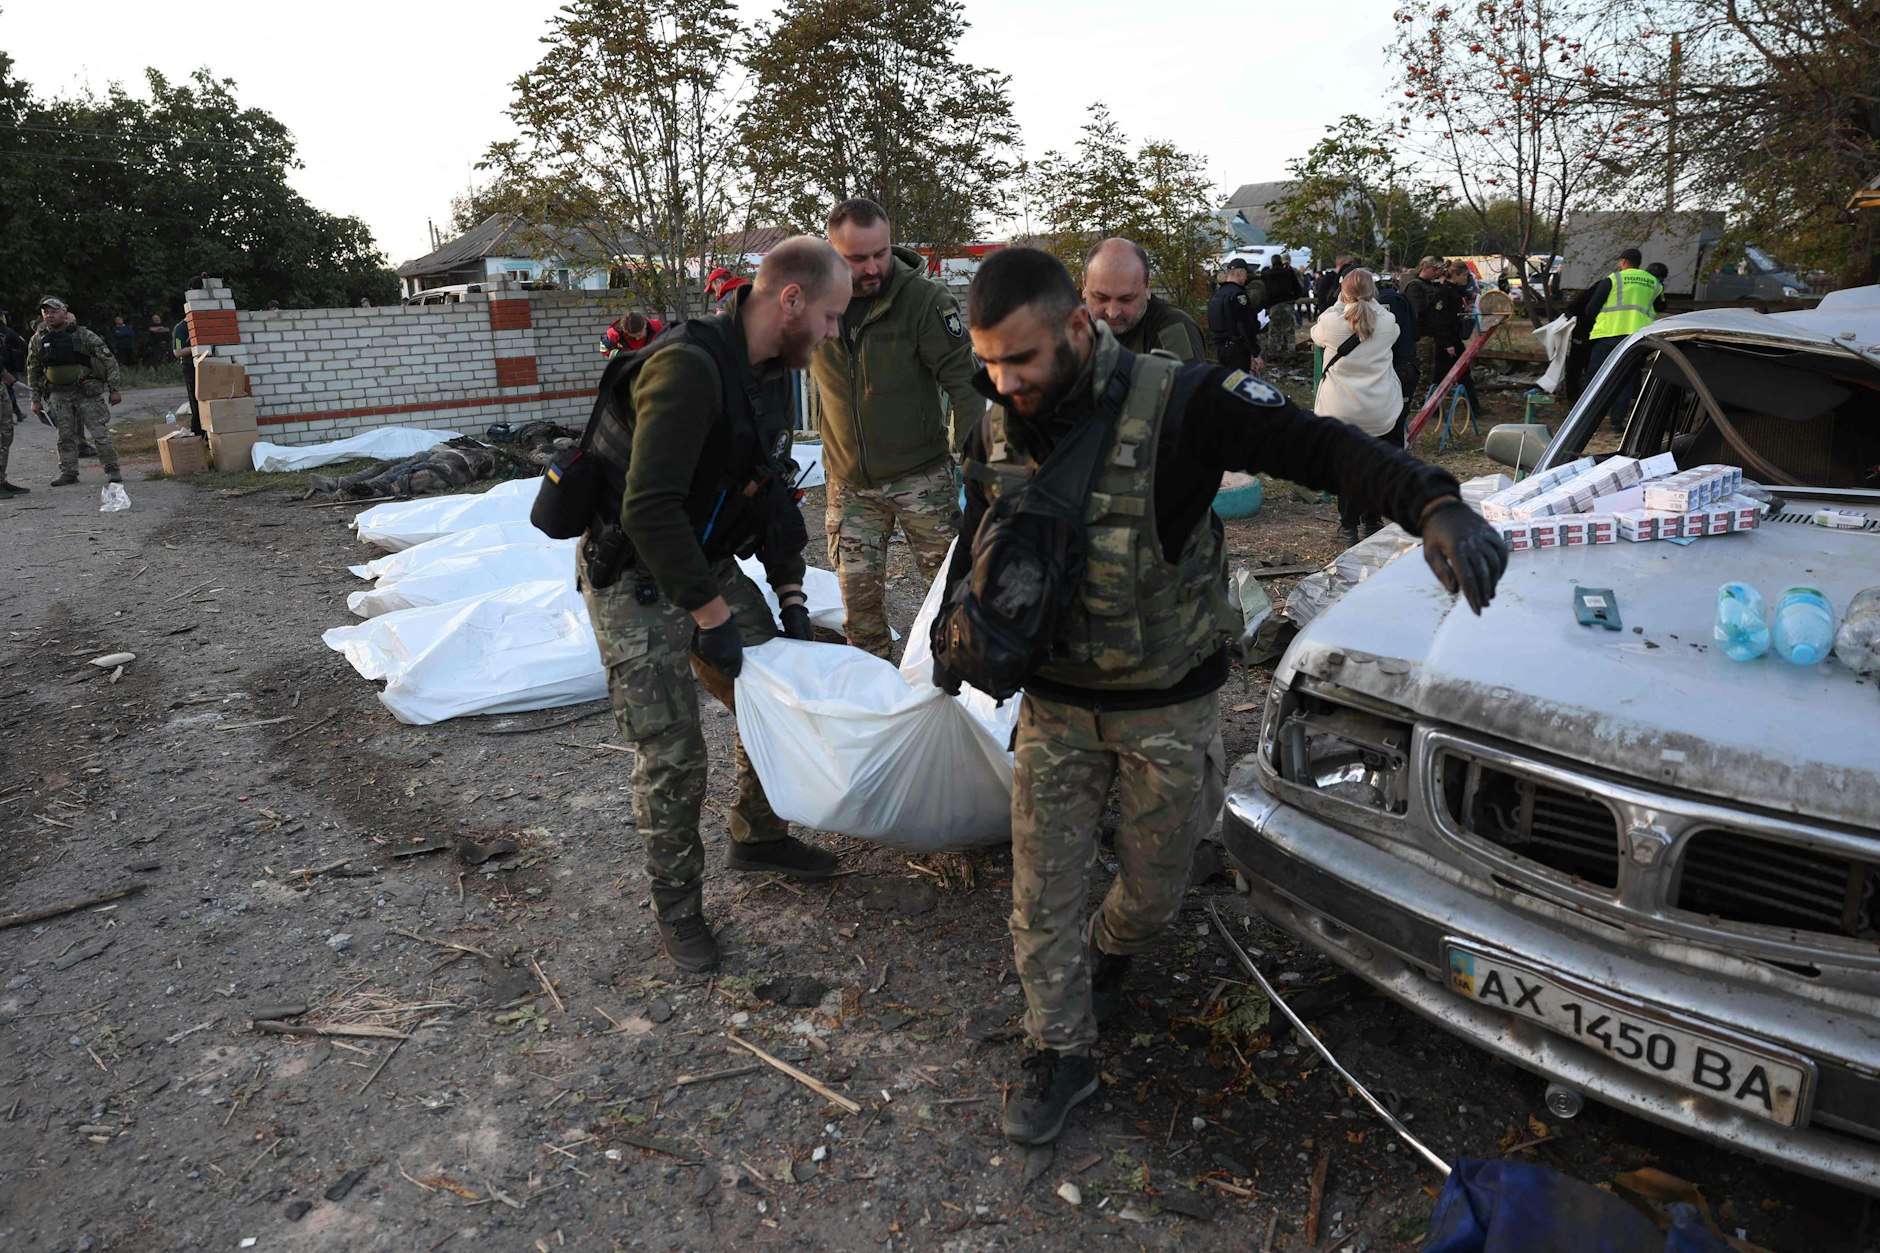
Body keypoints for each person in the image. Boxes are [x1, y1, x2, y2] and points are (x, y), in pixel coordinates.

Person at [936, 248, 1507, 1146]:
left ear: (1080, 329)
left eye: (1024, 361)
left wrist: (1431, 502)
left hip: (1166, 705)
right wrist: (956, 640)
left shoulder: (1186, 402)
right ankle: (1061, 1049)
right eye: (991, 364)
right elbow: (982, 532)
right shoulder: (995, 416)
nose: (1005, 384)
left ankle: (1113, 948)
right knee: (1039, 894)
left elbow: (1319, 446)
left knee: (1154, 895)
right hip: (1053, 709)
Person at [583, 236, 854, 972]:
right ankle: (678, 907)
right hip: (638, 571)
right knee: (672, 752)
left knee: (778, 693)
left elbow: (770, 494)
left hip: (702, 562)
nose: (833, 334)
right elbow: (647, 508)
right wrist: (710, 618)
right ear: (790, 300)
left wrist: (790, 592)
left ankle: (758, 833)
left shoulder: (767, 371)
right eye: (830, 317)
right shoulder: (688, 367)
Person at [811, 197, 983, 659]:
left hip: (920, 479)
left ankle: (960, 698)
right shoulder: (812, 298)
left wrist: (976, 467)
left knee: (954, 599)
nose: (873, 267)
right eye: (857, 258)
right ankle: (876, 712)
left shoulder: (924, 301)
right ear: (832, 254)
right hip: (848, 487)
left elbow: (966, 386)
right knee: (859, 615)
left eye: (880, 253)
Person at [1311, 268, 1406, 546]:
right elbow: (1384, 325)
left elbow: (1317, 334)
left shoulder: (1329, 322)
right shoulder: (1388, 321)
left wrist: (1341, 302)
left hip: (1341, 411)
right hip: (1380, 409)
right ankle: (1373, 521)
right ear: (1374, 292)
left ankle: (1348, 527)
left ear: (1343, 292)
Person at [25, 297, 123, 486]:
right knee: (64, 435)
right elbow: (33, 369)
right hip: (58, 394)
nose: (49, 315)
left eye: (53, 311)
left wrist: (114, 389)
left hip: (86, 391)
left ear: (64, 312)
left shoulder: (83, 335)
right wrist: (35, 399)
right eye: (45, 312)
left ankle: (112, 469)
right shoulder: (39, 339)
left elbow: (109, 361)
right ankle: (69, 472)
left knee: (99, 434)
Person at [1566, 247, 1666, 429]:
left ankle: (1587, 420)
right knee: (1626, 378)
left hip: (1608, 336)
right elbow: (1659, 306)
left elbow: (1590, 309)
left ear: (1623, 262)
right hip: (1636, 339)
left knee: (1596, 377)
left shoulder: (1613, 280)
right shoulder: (1654, 283)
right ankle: (1617, 423)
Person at [1079, 237, 1206, 364]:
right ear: (1084, 284)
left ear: (1147, 286)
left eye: (1126, 299)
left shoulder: (1173, 329)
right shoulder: (1071, 328)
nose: (1113, 313)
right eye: (1101, 298)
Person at [1434, 260, 1484, 418]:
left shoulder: (1455, 291)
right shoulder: (1443, 292)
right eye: (1463, 275)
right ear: (1454, 275)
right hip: (1447, 340)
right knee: (1441, 376)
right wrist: (1447, 343)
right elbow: (1441, 320)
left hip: (1454, 338)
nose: (1465, 278)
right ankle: (1433, 407)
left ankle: (1474, 408)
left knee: (1463, 374)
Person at [1402, 257, 1455, 405]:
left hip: (1431, 334)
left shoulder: (1430, 286)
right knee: (1422, 370)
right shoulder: (1415, 287)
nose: (1438, 274)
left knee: (1430, 371)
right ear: (1428, 269)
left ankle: (1425, 399)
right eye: (1436, 271)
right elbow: (1419, 311)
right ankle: (1417, 401)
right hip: (1422, 335)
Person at [1204, 258, 1265, 372]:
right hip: (1236, 350)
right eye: (1246, 274)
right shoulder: (1238, 295)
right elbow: (1246, 326)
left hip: (1220, 348)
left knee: (1226, 384)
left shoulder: (1217, 294)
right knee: (1238, 385)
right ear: (1239, 273)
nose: (1246, 277)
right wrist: (1255, 353)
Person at [1259, 253, 1306, 366]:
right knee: (1289, 331)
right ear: (1281, 261)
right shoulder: (1289, 273)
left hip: (1274, 306)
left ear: (1272, 262)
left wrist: (1267, 304)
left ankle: (1274, 355)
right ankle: (1291, 355)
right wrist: (1293, 298)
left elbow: (1263, 292)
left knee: (1274, 331)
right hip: (1287, 304)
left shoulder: (1267, 275)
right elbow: (1298, 288)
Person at [600, 310, 665, 358]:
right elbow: (604, 349)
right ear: (625, 331)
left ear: (645, 325)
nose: (637, 338)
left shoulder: (656, 327)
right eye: (633, 336)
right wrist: (623, 355)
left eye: (639, 335)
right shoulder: (615, 333)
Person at [1, 311, 27, 424]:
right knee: (10, 391)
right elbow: (22, 344)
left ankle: (18, 412)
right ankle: (9, 415)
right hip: (7, 365)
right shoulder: (7, 330)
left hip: (4, 366)